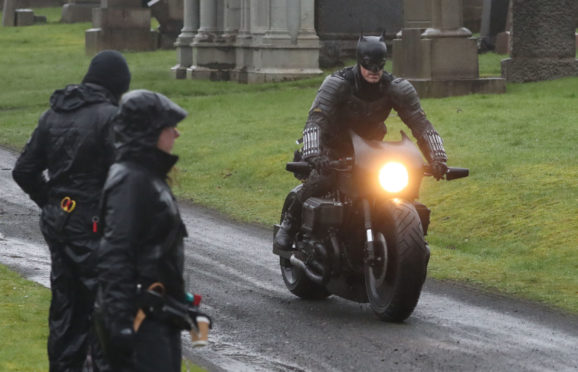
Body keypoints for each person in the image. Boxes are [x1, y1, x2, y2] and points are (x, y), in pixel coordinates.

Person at [12, 50, 131, 371]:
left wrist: (53, 202)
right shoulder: (109, 118)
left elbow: (24, 170)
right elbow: (124, 176)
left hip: (59, 220)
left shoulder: (53, 115)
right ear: (117, 85)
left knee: (66, 305)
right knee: (103, 306)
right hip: (93, 224)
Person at [274, 34, 448, 252]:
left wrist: (437, 157)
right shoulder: (337, 84)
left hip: (371, 150)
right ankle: (290, 224)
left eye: (379, 65)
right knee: (322, 180)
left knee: (401, 189)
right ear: (359, 61)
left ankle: (399, 236)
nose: (374, 70)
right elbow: (316, 119)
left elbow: (421, 124)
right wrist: (313, 154)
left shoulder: (396, 88)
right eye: (368, 65)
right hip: (332, 147)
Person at [94, 89, 190, 371]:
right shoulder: (131, 180)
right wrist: (121, 324)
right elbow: (116, 255)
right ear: (150, 131)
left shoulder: (144, 174)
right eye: (170, 127)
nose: (176, 134)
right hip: (141, 321)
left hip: (156, 316)